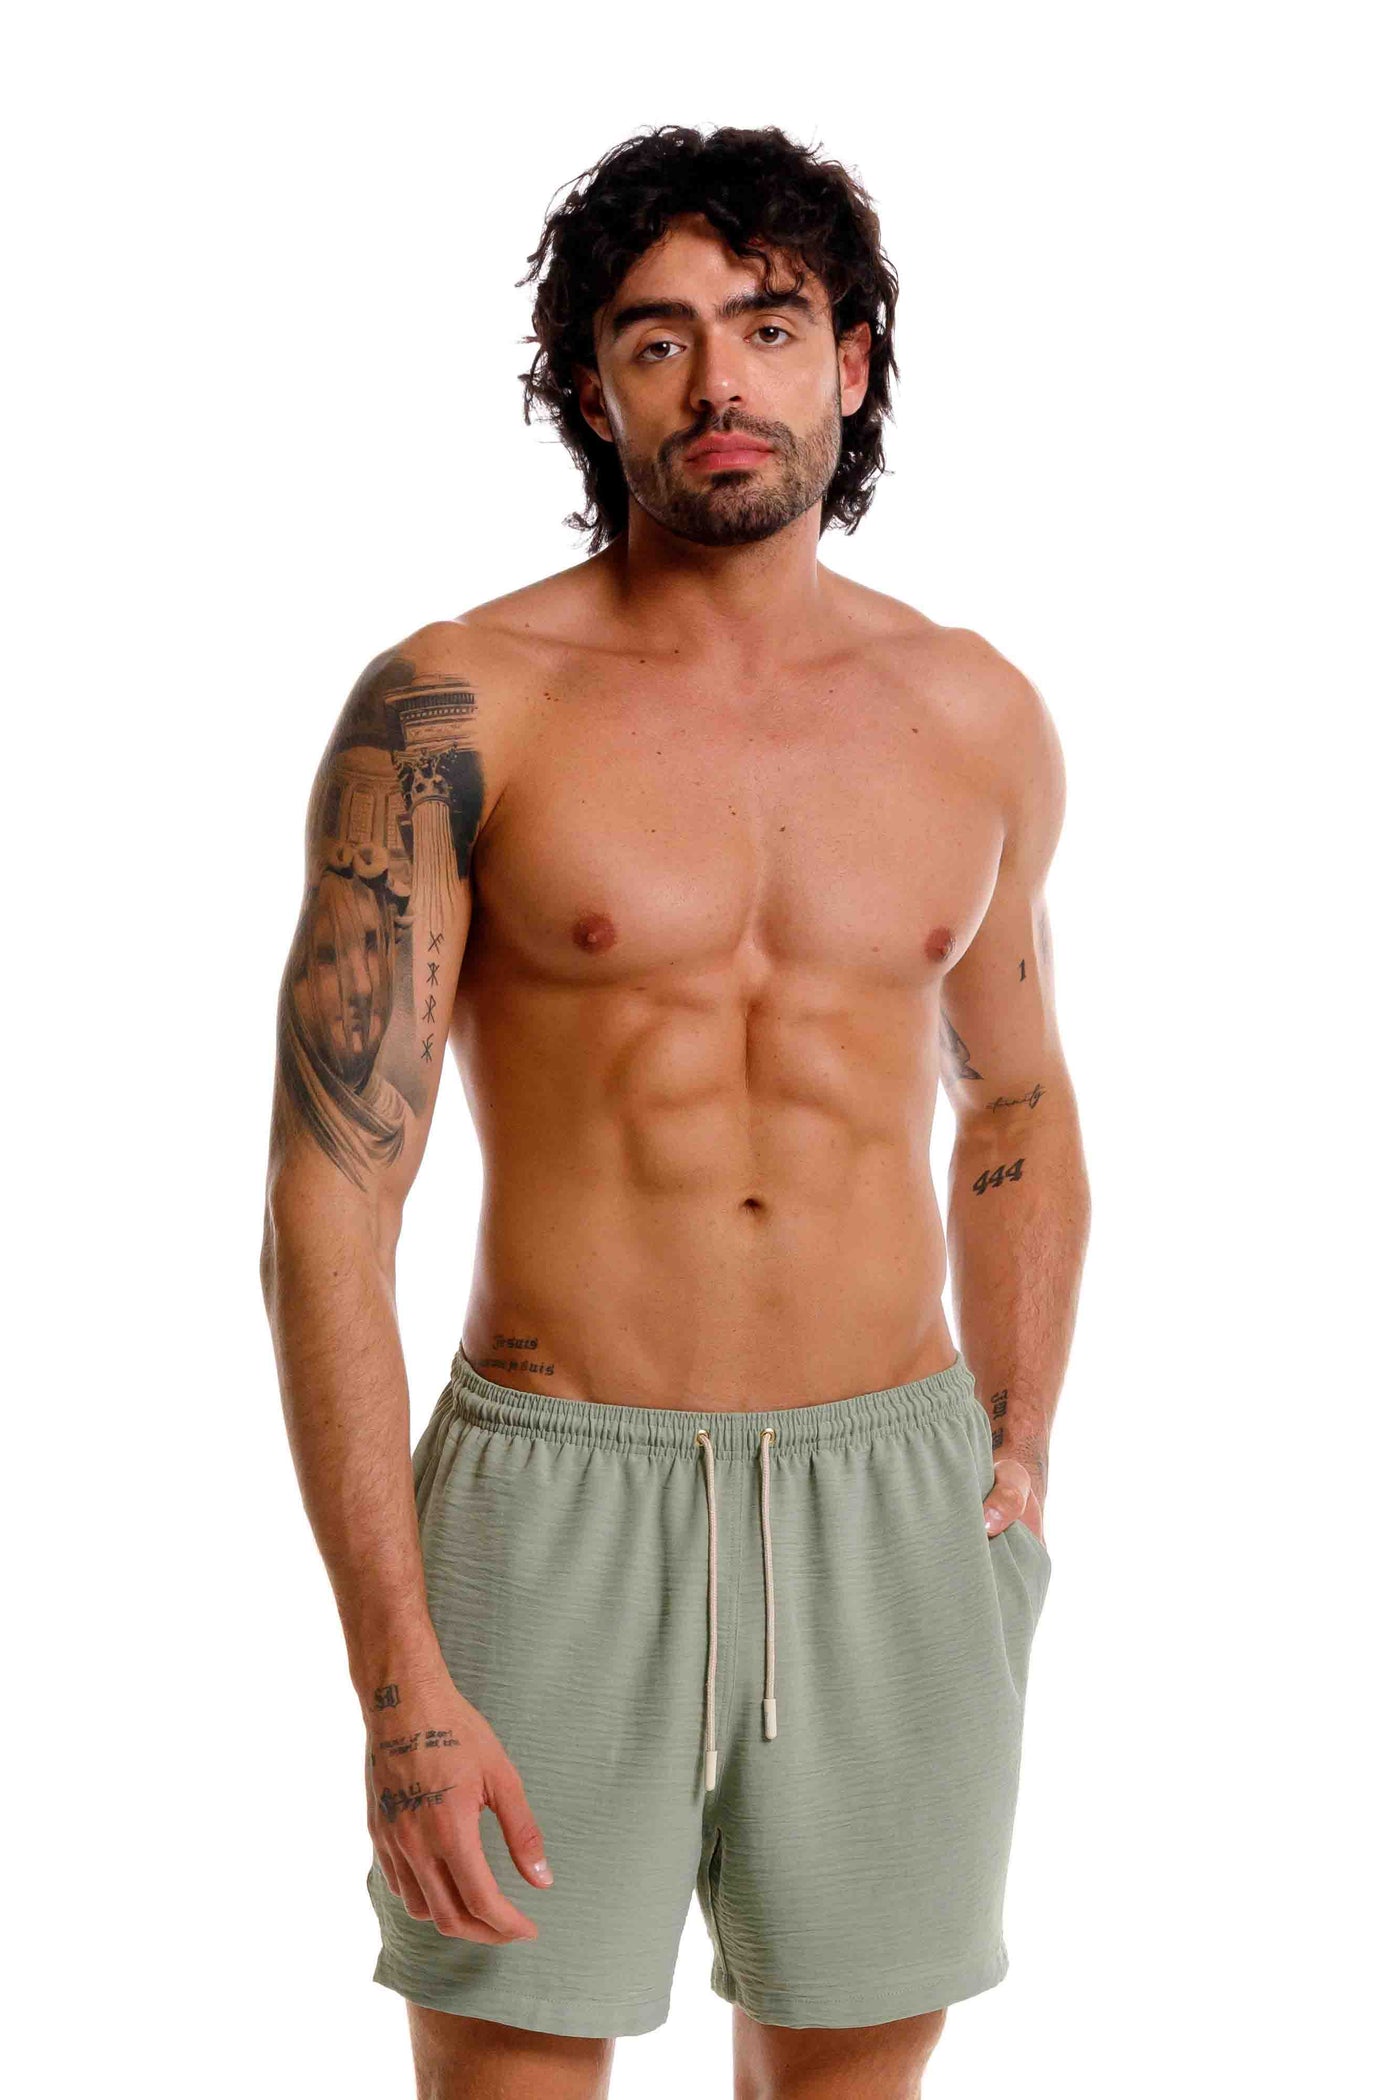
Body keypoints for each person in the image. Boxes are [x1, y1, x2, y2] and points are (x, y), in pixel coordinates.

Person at [261, 122, 1091, 2100]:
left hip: (890, 1500)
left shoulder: (975, 712)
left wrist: (1016, 1444)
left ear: (851, 362)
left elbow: (1018, 1095)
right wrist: (396, 1674)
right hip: (555, 1505)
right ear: (591, 388)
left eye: (770, 324)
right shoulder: (456, 707)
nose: (720, 379)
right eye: (657, 338)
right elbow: (325, 1206)